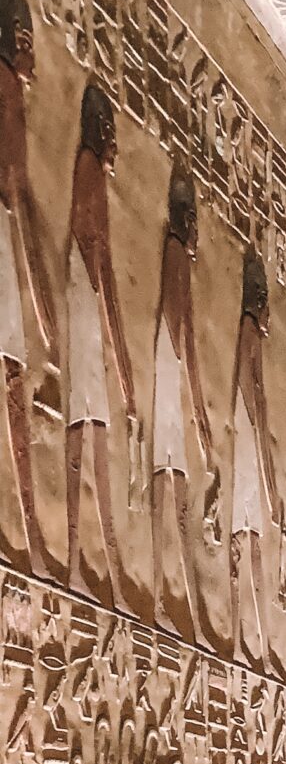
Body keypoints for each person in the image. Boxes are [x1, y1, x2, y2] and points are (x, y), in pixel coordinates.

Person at [63, 83, 136, 613]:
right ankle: (87, 558)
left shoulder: (87, 173)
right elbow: (100, 268)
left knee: (89, 428)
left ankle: (95, 560)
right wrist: (125, 368)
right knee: (88, 427)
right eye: (113, 136)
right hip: (83, 302)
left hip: (81, 301)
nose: (117, 151)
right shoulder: (89, 172)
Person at [0, 0, 54, 576]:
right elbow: (15, 183)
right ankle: (28, 523)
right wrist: (40, 298)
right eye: (24, 41)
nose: (31, 57)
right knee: (14, 371)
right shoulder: (8, 88)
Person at [151, 162, 217, 638]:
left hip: (171, 373)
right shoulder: (175, 254)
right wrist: (195, 408)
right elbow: (183, 339)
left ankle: (175, 597)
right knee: (168, 483)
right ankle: (160, 593)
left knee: (173, 489)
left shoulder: (179, 259)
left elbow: (188, 337)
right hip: (167, 371)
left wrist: (198, 412)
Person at [227, 249, 282, 667]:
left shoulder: (250, 336)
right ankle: (240, 629)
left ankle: (259, 633)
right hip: (245, 438)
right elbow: (252, 393)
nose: (269, 321)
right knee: (245, 536)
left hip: (248, 438)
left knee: (252, 539)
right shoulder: (247, 331)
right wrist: (268, 477)